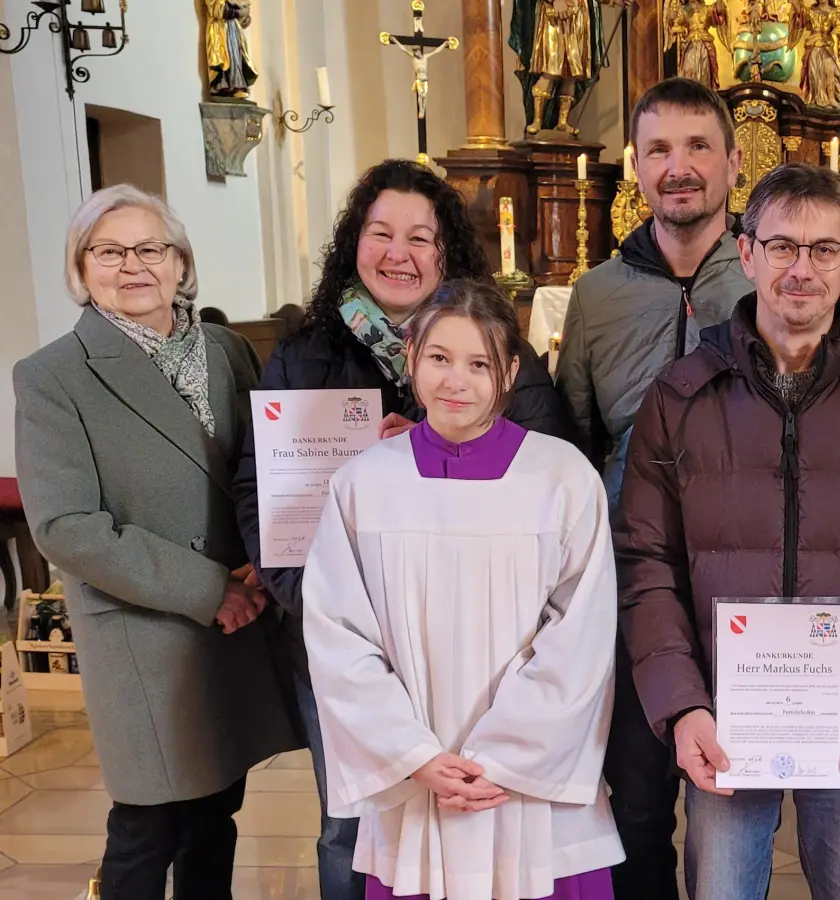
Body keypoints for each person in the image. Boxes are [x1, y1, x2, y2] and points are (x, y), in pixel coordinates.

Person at [233, 158, 578, 900]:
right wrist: (319, 609)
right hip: (345, 639)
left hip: (482, 643)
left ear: (446, 251)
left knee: (475, 808)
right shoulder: (305, 355)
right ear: (354, 243)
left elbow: (546, 471)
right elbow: (259, 491)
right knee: (350, 823)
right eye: (380, 232)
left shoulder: (500, 353)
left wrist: (429, 443)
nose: (399, 252)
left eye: (419, 237)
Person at [615, 163, 840, 900]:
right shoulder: (680, 397)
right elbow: (646, 562)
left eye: (824, 249)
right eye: (782, 247)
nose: (802, 269)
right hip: (725, 716)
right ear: (746, 254)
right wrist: (683, 704)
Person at [14, 184, 298, 898]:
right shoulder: (53, 376)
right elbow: (66, 528)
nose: (133, 266)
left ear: (180, 264)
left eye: (151, 249)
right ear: (82, 270)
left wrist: (268, 561)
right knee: (148, 825)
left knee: (215, 813)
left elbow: (262, 470)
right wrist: (210, 592)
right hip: (151, 628)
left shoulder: (228, 349)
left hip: (239, 616)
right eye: (109, 251)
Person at [302, 280, 622, 899]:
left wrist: (507, 754)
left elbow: (581, 633)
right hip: (419, 780)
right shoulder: (364, 484)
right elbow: (339, 637)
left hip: (531, 784)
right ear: (411, 357)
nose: (456, 380)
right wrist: (413, 754)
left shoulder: (560, 477)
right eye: (439, 358)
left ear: (508, 370)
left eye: (479, 363)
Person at [556, 76, 752, 898]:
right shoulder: (597, 295)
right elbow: (570, 435)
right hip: (631, 581)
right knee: (636, 796)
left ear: (735, 164)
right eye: (660, 149)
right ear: (635, 167)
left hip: (743, 575)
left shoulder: (766, 276)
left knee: (735, 798)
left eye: (699, 146)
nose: (679, 167)